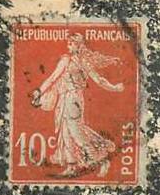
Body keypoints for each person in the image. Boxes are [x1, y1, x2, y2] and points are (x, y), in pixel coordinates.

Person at [30, 33, 123, 178]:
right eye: (68, 43)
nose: (69, 46)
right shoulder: (70, 60)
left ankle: (102, 161)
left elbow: (98, 80)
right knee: (65, 133)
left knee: (75, 132)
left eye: (71, 43)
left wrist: (114, 87)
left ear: (79, 45)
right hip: (64, 99)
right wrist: (39, 92)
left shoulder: (78, 61)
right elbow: (53, 78)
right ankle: (71, 167)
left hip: (73, 99)